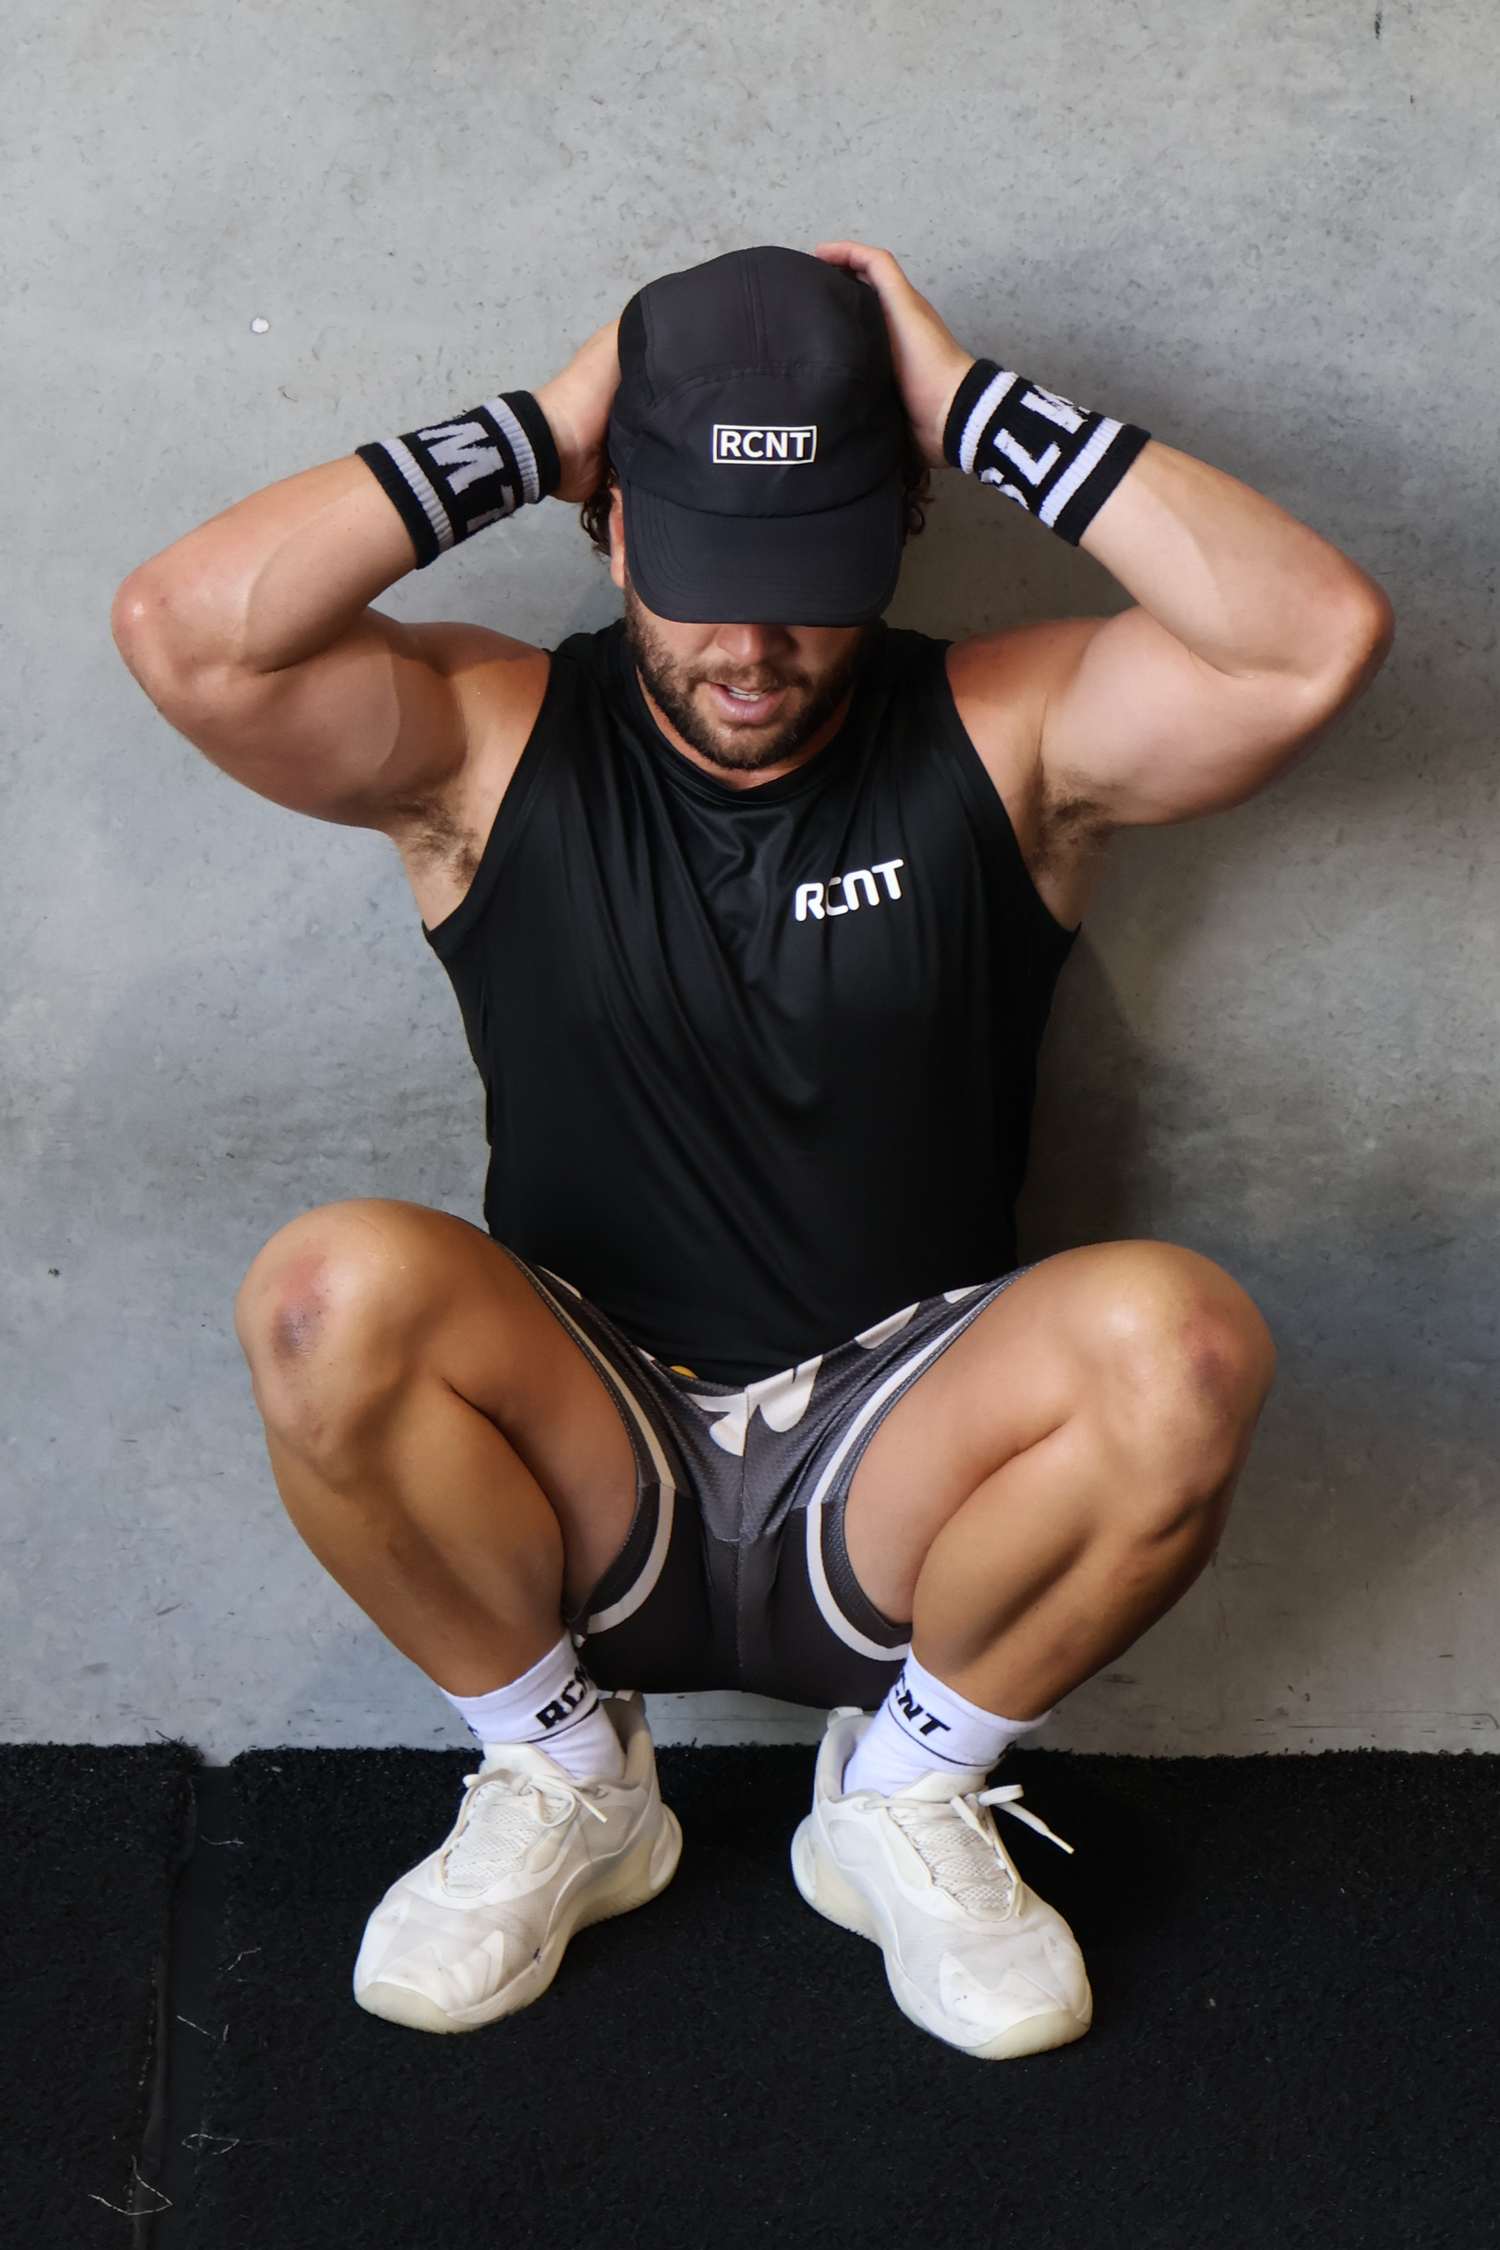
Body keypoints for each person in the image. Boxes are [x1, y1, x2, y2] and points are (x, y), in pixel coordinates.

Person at [113, 241, 1392, 2062]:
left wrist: (968, 406)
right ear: (612, 521)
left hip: (903, 1470)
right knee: (325, 1297)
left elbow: (1311, 636)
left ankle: (906, 1788)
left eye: (807, 585)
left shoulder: (1008, 734)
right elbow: (188, 629)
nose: (752, 648)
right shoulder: (484, 744)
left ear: (900, 526)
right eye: (708, 579)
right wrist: (538, 424)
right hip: (589, 1451)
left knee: (1181, 1345)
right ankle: (570, 1777)